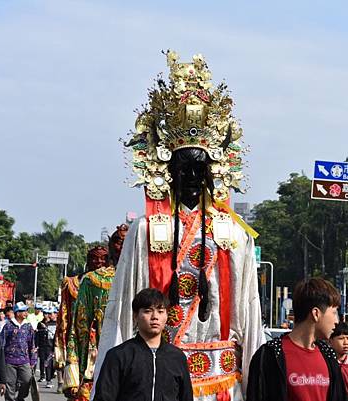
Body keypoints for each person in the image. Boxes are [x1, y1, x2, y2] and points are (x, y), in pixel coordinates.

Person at [93, 51, 264, 401]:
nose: (189, 176)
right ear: (167, 171)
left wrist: (253, 378)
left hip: (220, 378)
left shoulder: (232, 233)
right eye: (182, 167)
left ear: (211, 173)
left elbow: (249, 312)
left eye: (198, 169)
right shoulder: (145, 230)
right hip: (158, 374)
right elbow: (123, 308)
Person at [247, 277, 348, 401]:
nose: (336, 321)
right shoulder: (269, 355)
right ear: (316, 314)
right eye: (334, 312)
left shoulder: (328, 355)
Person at [93, 288, 193, 401]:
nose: (155, 317)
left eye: (160, 311)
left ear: (166, 316)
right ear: (135, 316)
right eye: (148, 311)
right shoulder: (119, 355)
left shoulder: (177, 357)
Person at [64, 246, 116, 400]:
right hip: (84, 337)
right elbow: (66, 318)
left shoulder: (122, 276)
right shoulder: (75, 282)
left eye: (103, 258)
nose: (98, 261)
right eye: (94, 257)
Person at [1, 301, 37, 401]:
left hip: (24, 360)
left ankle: (20, 398)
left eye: (26, 311)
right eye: (24, 311)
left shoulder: (28, 326)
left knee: (27, 380)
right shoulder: (8, 326)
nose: (26, 313)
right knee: (10, 384)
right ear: (17, 313)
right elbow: (1, 343)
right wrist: (0, 360)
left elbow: (32, 344)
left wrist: (33, 360)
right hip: (9, 361)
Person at [36, 308, 57, 388]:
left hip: (51, 346)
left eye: (49, 313)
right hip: (42, 345)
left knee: (49, 363)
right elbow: (37, 335)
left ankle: (50, 378)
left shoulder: (56, 324)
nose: (47, 315)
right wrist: (36, 345)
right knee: (42, 361)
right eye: (45, 313)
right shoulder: (40, 323)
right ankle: (44, 377)